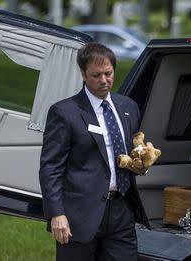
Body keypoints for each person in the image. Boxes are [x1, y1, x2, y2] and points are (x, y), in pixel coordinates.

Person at [39, 42, 149, 261]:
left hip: (121, 211)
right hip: (78, 215)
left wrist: (141, 158)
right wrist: (56, 214)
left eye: (108, 73)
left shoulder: (128, 107)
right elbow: (50, 168)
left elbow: (131, 151)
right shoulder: (64, 112)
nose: (104, 80)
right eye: (96, 75)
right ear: (83, 74)